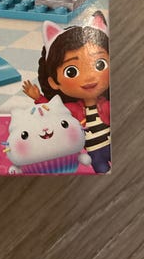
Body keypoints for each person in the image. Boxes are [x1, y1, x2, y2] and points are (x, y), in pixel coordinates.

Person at [23, 12, 111, 173]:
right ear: (53, 82)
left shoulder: (107, 104)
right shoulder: (73, 109)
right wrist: (38, 98)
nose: (89, 77)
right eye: (71, 71)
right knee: (102, 171)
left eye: (99, 64)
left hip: (113, 145)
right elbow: (55, 112)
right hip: (94, 153)